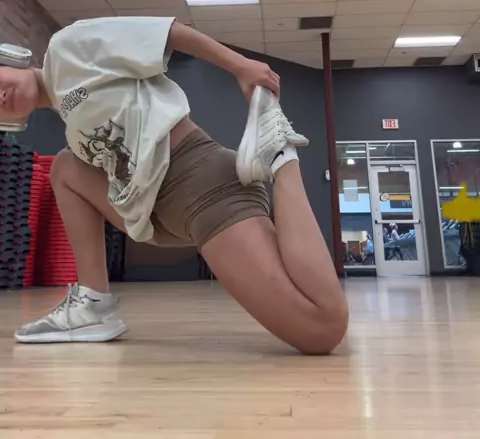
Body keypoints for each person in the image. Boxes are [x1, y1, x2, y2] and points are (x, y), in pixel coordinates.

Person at [0, 17, 348, 354]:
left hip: (202, 187)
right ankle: (93, 305)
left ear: (10, 59)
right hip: (160, 217)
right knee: (64, 168)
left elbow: (170, 32)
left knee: (321, 329)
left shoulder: (67, 48)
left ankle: (280, 153)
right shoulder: (71, 124)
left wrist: (241, 66)